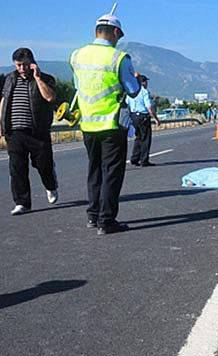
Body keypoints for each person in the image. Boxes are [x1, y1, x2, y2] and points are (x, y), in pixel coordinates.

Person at [70, 11, 141, 235]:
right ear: (116, 32)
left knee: (94, 170)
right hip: (111, 124)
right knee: (111, 172)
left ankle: (92, 215)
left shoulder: (77, 56)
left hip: (88, 124)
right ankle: (106, 220)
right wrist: (136, 79)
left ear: (96, 31)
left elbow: (77, 85)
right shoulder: (119, 58)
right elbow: (133, 90)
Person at [0, 48, 58, 216]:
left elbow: (50, 97)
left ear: (32, 63)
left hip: (37, 132)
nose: (22, 69)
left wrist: (38, 78)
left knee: (43, 165)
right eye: (18, 65)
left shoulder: (46, 78)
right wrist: (1, 124)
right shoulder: (10, 79)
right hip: (15, 132)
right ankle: (22, 203)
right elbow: (4, 100)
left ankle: (50, 185)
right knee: (17, 167)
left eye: (25, 65)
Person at [127, 74, 160, 167]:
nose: (146, 83)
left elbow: (127, 104)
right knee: (145, 139)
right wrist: (156, 119)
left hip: (134, 117)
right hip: (143, 117)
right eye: (145, 81)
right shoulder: (144, 92)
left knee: (138, 137)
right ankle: (144, 160)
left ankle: (134, 158)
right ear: (143, 83)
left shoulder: (131, 92)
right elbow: (149, 107)